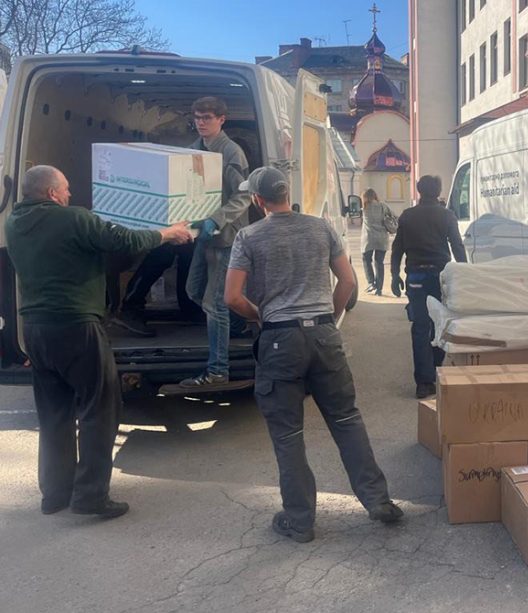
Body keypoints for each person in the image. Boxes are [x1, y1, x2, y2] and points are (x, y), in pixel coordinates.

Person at [224, 166, 403, 543]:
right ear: (287, 194)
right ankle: (378, 500)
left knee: (288, 434)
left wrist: (262, 316)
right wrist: (329, 321)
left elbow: (232, 297)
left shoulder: (248, 236)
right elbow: (348, 281)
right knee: (346, 419)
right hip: (323, 334)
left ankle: (300, 520)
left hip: (279, 341)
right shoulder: (321, 228)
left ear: (258, 200)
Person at [5, 165, 192, 519]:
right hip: (76, 325)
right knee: (99, 406)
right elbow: (126, 241)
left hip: (35, 331)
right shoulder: (74, 219)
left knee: (55, 413)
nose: (70, 194)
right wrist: (168, 233)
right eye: (66, 188)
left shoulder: (14, 223)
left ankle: (55, 493)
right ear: (51, 193)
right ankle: (91, 495)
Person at [180, 96, 251, 389]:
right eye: (197, 117)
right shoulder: (192, 150)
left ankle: (218, 370)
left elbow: (244, 195)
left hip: (226, 236)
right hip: (203, 235)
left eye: (207, 117)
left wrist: (216, 219)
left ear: (222, 119)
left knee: (215, 304)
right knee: (194, 290)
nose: (201, 122)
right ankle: (239, 325)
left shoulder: (231, 152)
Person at [389, 175, 467, 399]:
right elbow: (457, 246)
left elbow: (397, 249)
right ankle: (437, 368)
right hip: (441, 277)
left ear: (419, 191)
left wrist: (394, 275)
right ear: (439, 191)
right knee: (441, 322)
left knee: (421, 326)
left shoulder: (407, 216)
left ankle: (424, 383)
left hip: (416, 277)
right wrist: (464, 273)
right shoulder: (447, 215)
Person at [360, 188, 389, 296]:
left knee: (366, 259)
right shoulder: (383, 206)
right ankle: (379, 289)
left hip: (369, 239)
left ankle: (371, 282)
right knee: (379, 262)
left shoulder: (364, 207)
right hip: (382, 239)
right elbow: (394, 216)